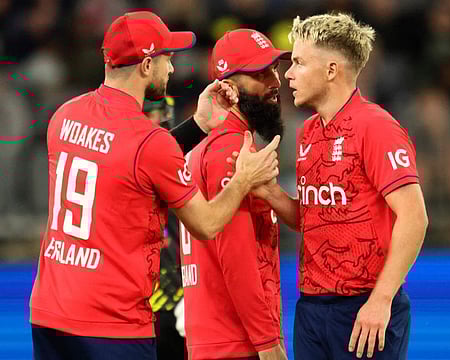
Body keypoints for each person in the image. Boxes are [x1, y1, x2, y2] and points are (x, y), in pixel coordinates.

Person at [29, 11, 281, 360]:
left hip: (49, 313)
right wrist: (244, 180)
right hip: (111, 323)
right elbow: (206, 224)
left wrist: (198, 125)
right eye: (167, 59)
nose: (172, 69)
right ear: (147, 66)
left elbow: (127, 159)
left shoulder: (64, 115)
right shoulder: (148, 141)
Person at [237, 13, 428, 360]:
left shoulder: (377, 127)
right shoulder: (308, 132)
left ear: (331, 71)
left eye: (298, 62)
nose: (288, 75)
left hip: (364, 307)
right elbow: (317, 216)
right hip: (311, 308)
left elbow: (415, 218)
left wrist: (381, 300)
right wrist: (269, 193)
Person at [181, 29, 290, 360]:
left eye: (274, 68)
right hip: (236, 342)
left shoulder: (211, 145)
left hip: (216, 338)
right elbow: (237, 257)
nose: (276, 81)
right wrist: (268, 344)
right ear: (227, 85)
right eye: (260, 73)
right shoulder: (230, 151)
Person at [143, 97, 187, 359]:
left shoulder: (183, 160)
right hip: (139, 304)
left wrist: (197, 294)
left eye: (160, 113)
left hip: (180, 298)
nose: (155, 119)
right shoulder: (122, 163)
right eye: (149, 113)